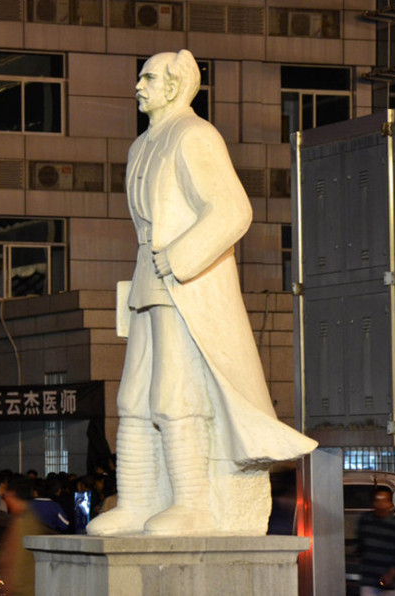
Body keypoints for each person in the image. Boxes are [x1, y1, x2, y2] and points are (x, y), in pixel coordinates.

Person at [86, 49, 317, 538]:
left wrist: (180, 257)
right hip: (149, 282)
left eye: (147, 78)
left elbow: (233, 210)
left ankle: (192, 504)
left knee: (175, 396)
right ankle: (136, 501)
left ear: (173, 86)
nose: (138, 87)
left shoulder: (195, 135)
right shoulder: (143, 144)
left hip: (181, 283)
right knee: (132, 400)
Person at [0, 476, 52, 596]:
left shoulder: (23, 522)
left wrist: (9, 587)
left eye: (5, 492)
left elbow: (16, 560)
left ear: (12, 493)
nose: (3, 496)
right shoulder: (29, 518)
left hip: (21, 590)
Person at [354, 486, 395, 595]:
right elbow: (360, 547)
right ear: (373, 503)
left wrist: (392, 573)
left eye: (385, 500)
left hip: (392, 583)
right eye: (377, 500)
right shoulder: (365, 520)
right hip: (369, 581)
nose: (381, 504)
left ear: (391, 503)